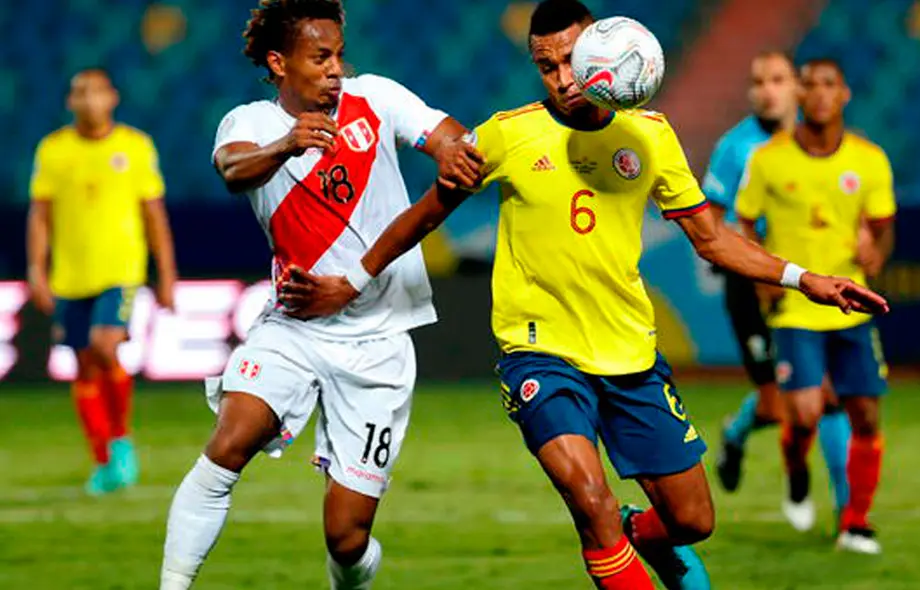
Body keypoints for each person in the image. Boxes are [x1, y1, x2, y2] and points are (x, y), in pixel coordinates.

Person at [275, 2, 889, 587]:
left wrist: (805, 279)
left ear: (601, 49)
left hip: (629, 355)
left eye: (571, 60)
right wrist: (351, 281)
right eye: (547, 66)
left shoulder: (650, 136)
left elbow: (712, 239)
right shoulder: (507, 135)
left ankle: (636, 533)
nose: (563, 78)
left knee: (692, 522)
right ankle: (611, 533)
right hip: (539, 354)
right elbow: (425, 214)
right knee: (591, 502)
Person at [158, 1, 481, 588]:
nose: (335, 69)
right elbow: (232, 170)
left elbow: (454, 144)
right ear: (279, 63)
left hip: (379, 341)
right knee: (228, 444)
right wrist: (285, 145)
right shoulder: (250, 122)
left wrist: (454, 151)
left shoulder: (376, 98)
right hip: (295, 327)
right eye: (319, 57)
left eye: (338, 55)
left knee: (346, 539)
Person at [735, 57, 895, 555]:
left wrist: (876, 252)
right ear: (799, 95)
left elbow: (883, 227)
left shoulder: (870, 160)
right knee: (804, 413)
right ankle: (797, 471)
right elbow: (744, 221)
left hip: (852, 305)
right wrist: (761, 273)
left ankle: (856, 523)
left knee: (864, 414)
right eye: (810, 85)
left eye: (830, 84)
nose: (820, 93)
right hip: (796, 307)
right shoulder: (768, 160)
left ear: (844, 94)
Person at [704, 52, 851, 524]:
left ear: (797, 88)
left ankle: (847, 510)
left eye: (777, 80)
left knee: (827, 391)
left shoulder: (817, 144)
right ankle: (736, 433)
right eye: (758, 81)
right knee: (776, 404)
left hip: (805, 279)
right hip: (750, 283)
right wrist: (749, 261)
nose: (767, 90)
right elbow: (710, 222)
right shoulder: (735, 148)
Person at [27, 67, 177, 496]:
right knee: (84, 366)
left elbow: (153, 215)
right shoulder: (53, 149)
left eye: (96, 91)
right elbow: (40, 215)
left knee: (104, 346)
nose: (88, 99)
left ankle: (121, 440)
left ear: (112, 98)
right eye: (80, 92)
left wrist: (166, 274)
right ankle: (103, 459)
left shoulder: (134, 146)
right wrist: (36, 269)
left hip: (121, 272)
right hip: (71, 276)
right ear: (70, 102)